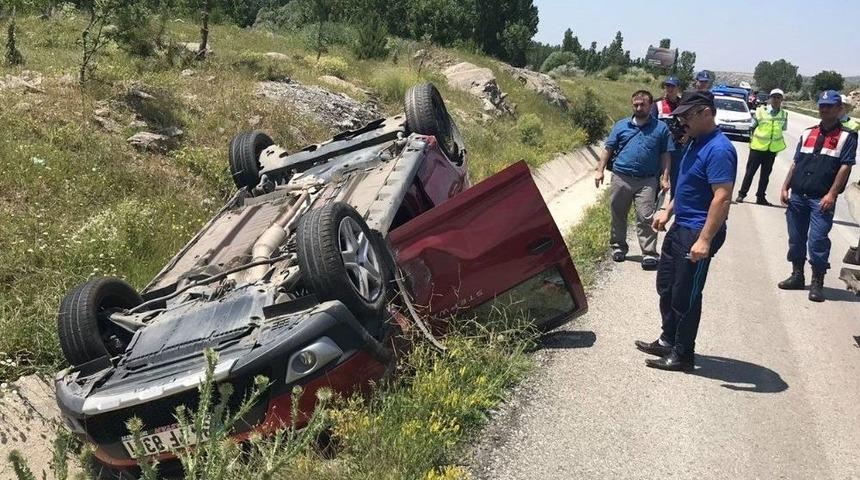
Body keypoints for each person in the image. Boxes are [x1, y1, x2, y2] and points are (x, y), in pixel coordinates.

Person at [634, 91, 737, 371]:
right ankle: (668, 340)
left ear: (706, 113)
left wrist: (705, 239)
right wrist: (668, 210)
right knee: (666, 286)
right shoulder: (694, 143)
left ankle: (683, 354)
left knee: (686, 295)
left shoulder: (720, 149)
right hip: (681, 227)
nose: (681, 120)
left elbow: (722, 197)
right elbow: (688, 186)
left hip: (699, 231)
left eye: (687, 115)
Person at [777, 90, 857, 302]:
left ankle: (817, 282)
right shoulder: (807, 133)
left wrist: (832, 194)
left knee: (818, 241)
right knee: (796, 239)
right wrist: (785, 186)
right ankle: (797, 275)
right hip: (798, 196)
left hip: (821, 198)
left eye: (829, 106)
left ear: (839, 109)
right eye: (822, 105)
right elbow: (796, 162)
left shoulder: (847, 136)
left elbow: (845, 168)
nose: (824, 109)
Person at [595, 90, 672, 270]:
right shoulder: (621, 126)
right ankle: (618, 247)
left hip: (647, 180)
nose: (638, 107)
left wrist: (666, 177)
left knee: (645, 216)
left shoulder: (661, 128)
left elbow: (665, 154)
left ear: (650, 105)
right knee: (618, 214)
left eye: (642, 104)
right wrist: (599, 171)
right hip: (621, 177)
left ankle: (649, 253)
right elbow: (608, 149)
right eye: (635, 104)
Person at [736, 88, 788, 205]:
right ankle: (741, 194)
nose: (776, 100)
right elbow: (752, 127)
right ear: (770, 98)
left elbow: (782, 129)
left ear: (781, 100)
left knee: (765, 176)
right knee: (750, 173)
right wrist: (752, 141)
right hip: (757, 148)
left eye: (778, 98)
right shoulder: (760, 111)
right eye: (774, 97)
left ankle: (760, 197)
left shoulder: (784, 114)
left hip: (771, 150)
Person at [651, 76, 685, 193]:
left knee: (677, 181)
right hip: (660, 148)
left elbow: (690, 124)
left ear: (678, 88)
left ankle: (673, 208)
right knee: (654, 180)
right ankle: (652, 206)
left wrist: (687, 136)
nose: (669, 89)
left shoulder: (684, 105)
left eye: (672, 86)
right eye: (667, 86)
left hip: (677, 148)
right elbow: (651, 124)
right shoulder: (657, 104)